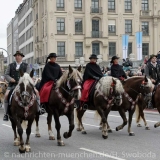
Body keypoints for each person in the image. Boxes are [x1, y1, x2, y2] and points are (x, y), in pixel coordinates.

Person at [3, 51, 44, 121]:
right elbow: (6, 75)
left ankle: (38, 109)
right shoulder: (11, 65)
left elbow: (28, 75)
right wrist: (10, 79)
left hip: (24, 84)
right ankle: (6, 113)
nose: (17, 57)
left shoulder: (26, 65)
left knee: (37, 93)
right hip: (13, 84)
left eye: (19, 55)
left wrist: (24, 80)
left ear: (22, 57)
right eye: (16, 55)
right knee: (6, 95)